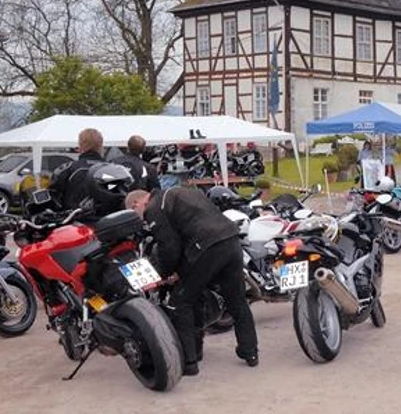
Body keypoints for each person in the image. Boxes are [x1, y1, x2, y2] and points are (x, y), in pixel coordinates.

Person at [125, 187, 258, 376]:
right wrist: (181, 269)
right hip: (230, 239)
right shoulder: (180, 192)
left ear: (136, 204)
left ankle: (190, 362)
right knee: (237, 301)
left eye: (136, 214)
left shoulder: (154, 207)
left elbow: (169, 246)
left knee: (180, 302)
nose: (141, 218)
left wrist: (166, 273)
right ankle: (250, 352)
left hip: (206, 247)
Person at [48, 128, 107, 213]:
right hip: (106, 220)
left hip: (74, 220)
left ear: (80, 145)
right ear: (101, 145)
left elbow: (53, 196)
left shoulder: (67, 169)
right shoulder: (112, 169)